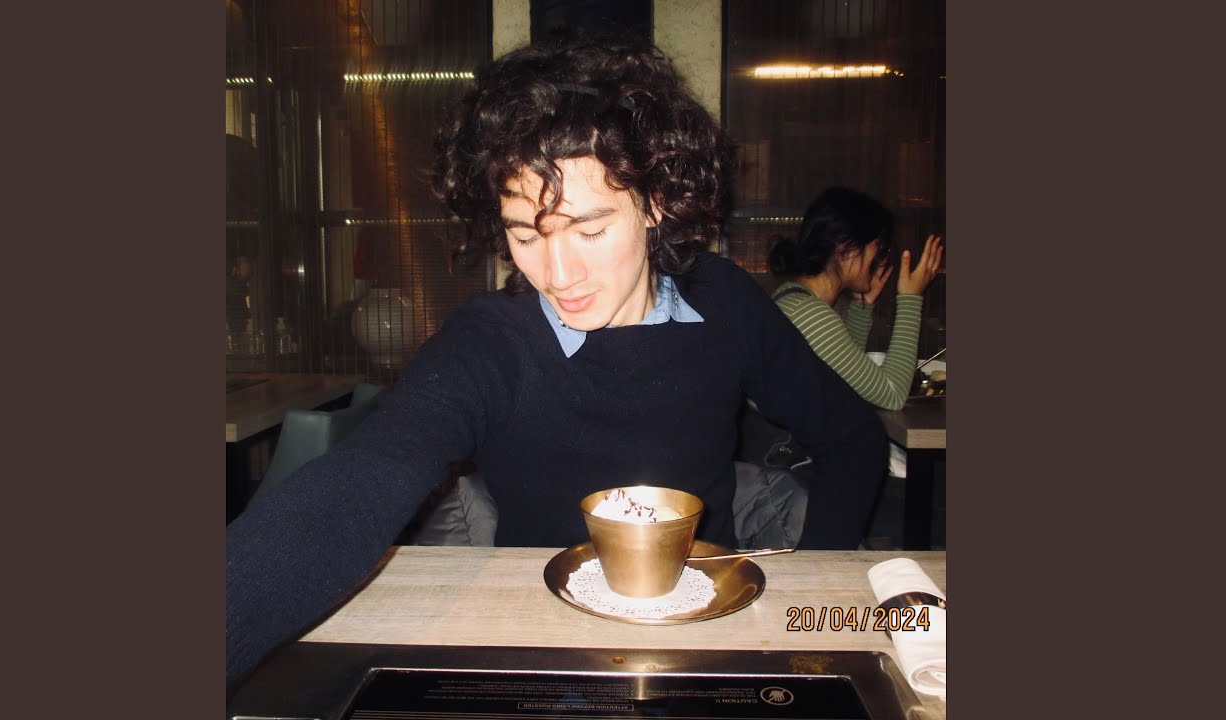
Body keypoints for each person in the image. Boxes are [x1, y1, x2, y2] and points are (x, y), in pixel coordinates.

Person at [227, 40, 886, 685]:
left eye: (590, 229)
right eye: (525, 234)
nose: (559, 274)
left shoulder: (725, 302)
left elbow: (851, 436)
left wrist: (811, 589)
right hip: (537, 647)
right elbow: (365, 478)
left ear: (655, 201)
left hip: (706, 643)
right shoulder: (493, 341)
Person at [767, 187, 944, 411]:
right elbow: (893, 394)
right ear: (847, 250)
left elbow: (845, 379)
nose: (880, 258)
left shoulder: (794, 298)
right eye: (878, 247)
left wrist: (863, 306)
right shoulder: (807, 313)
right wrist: (911, 298)